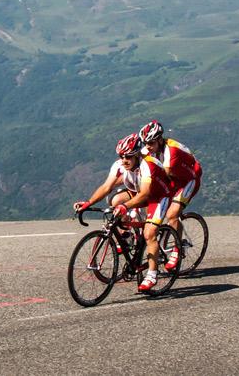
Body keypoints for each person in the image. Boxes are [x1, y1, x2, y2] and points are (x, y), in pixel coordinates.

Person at [74, 133, 173, 292]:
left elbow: (145, 195)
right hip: (137, 191)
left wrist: (126, 207)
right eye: (121, 156)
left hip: (158, 196)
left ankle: (152, 275)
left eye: (128, 156)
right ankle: (127, 236)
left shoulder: (147, 165)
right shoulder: (119, 165)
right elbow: (107, 187)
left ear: (137, 155)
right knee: (115, 202)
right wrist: (88, 203)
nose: (124, 160)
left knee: (149, 233)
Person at [138, 120, 201, 271]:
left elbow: (164, 175)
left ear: (160, 140)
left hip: (188, 180)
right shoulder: (151, 148)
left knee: (172, 214)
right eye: (145, 143)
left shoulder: (170, 153)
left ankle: (177, 250)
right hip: (175, 178)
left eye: (151, 143)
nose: (148, 147)